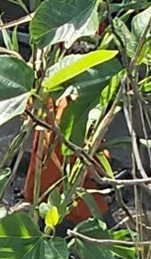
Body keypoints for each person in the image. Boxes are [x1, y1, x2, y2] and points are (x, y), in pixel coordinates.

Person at [24, 95, 112, 226]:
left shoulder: (50, 98)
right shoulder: (78, 108)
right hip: (71, 206)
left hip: (38, 194)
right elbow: (95, 165)